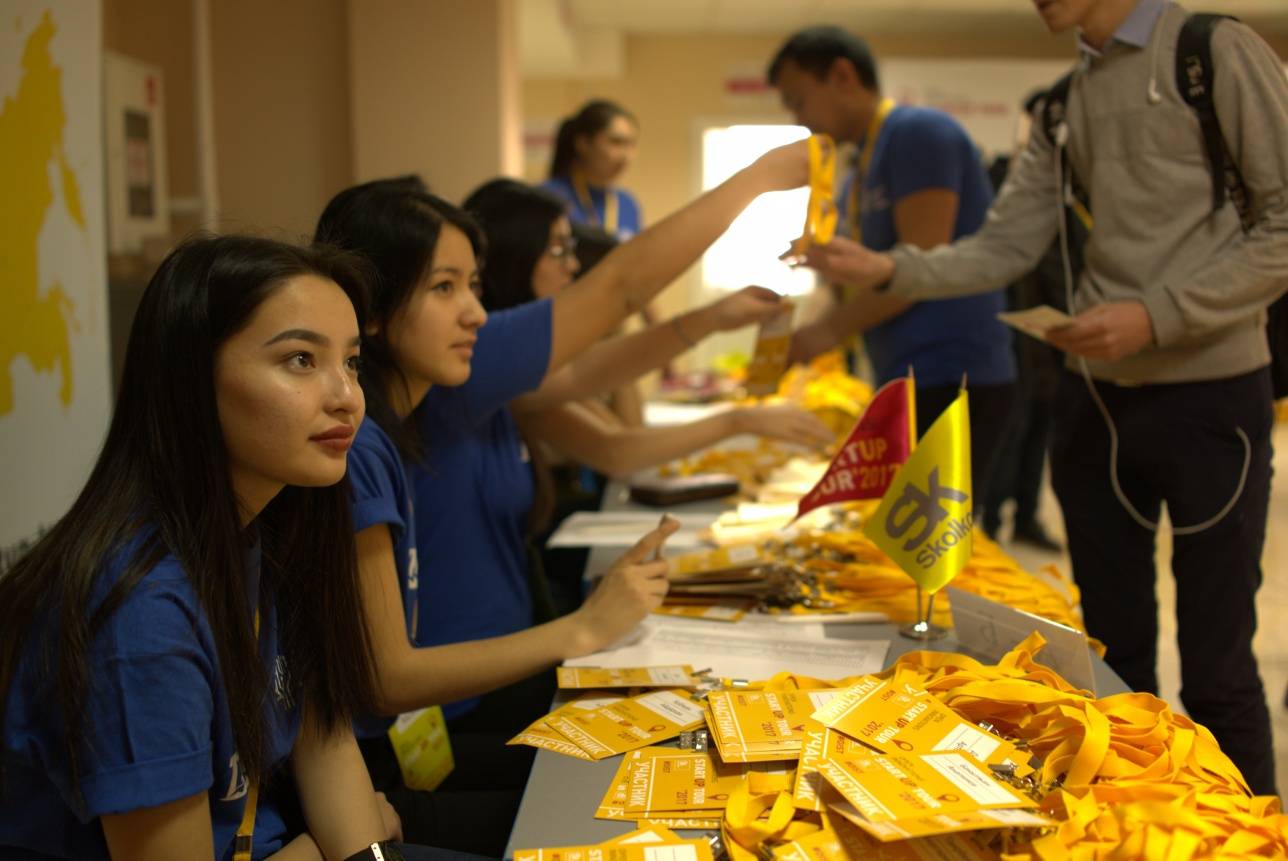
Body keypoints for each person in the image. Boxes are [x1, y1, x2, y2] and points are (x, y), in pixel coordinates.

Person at [792, 0, 1288, 797]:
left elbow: (1284, 223)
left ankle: (1247, 838)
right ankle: (1129, 834)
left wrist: (1158, 315)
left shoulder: (1211, 51)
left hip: (1211, 399)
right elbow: (1004, 244)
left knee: (1219, 672)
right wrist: (890, 270)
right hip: (1092, 405)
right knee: (1110, 665)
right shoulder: (1065, 100)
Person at [314, 140, 809, 845]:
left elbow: (601, 383)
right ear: (375, 308)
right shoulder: (375, 431)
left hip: (451, 705)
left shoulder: (428, 396)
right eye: (446, 286)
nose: (573, 266)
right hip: (440, 712)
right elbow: (621, 290)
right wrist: (761, 177)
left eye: (474, 286)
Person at [0, 235, 453, 860]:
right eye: (300, 360)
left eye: (350, 362)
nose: (347, 395)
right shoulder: (141, 611)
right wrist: (319, 853)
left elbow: (323, 735)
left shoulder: (273, 522)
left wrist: (362, 856)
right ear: (193, 378)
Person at [463, 178, 835, 613]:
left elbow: (610, 406)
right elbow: (616, 447)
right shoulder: (496, 363)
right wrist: (736, 418)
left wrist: (706, 322)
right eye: (559, 250)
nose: (573, 268)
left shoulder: (528, 362)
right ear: (516, 257)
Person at [770, 26, 1017, 502]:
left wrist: (822, 334)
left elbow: (918, 267)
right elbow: (856, 282)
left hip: (954, 372)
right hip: (904, 374)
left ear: (842, 75)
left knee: (929, 548)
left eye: (800, 101)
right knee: (900, 545)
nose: (802, 119)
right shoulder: (857, 171)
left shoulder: (918, 133)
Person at [981, 90, 1071, 552]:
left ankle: (1028, 515)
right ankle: (991, 523)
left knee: (1040, 428)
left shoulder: (1070, 189)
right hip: (1006, 333)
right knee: (1008, 431)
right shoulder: (995, 182)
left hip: (1053, 333)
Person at [543, 100, 642, 242]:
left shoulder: (627, 204)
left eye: (631, 144)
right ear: (583, 144)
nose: (626, 156)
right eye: (616, 142)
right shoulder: (549, 197)